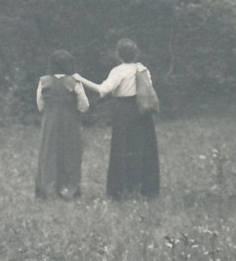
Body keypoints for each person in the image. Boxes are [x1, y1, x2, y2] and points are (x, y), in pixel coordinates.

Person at [80, 38, 160, 200]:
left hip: (124, 111)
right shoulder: (143, 69)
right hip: (142, 111)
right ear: (136, 53)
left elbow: (102, 90)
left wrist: (79, 79)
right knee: (144, 148)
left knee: (123, 148)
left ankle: (122, 189)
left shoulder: (118, 71)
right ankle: (146, 188)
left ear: (118, 54)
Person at [34, 49, 89, 199]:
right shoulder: (74, 82)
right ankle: (69, 189)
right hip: (70, 120)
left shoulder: (44, 81)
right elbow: (84, 105)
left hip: (50, 121)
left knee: (49, 152)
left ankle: (49, 188)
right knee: (71, 152)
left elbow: (40, 104)